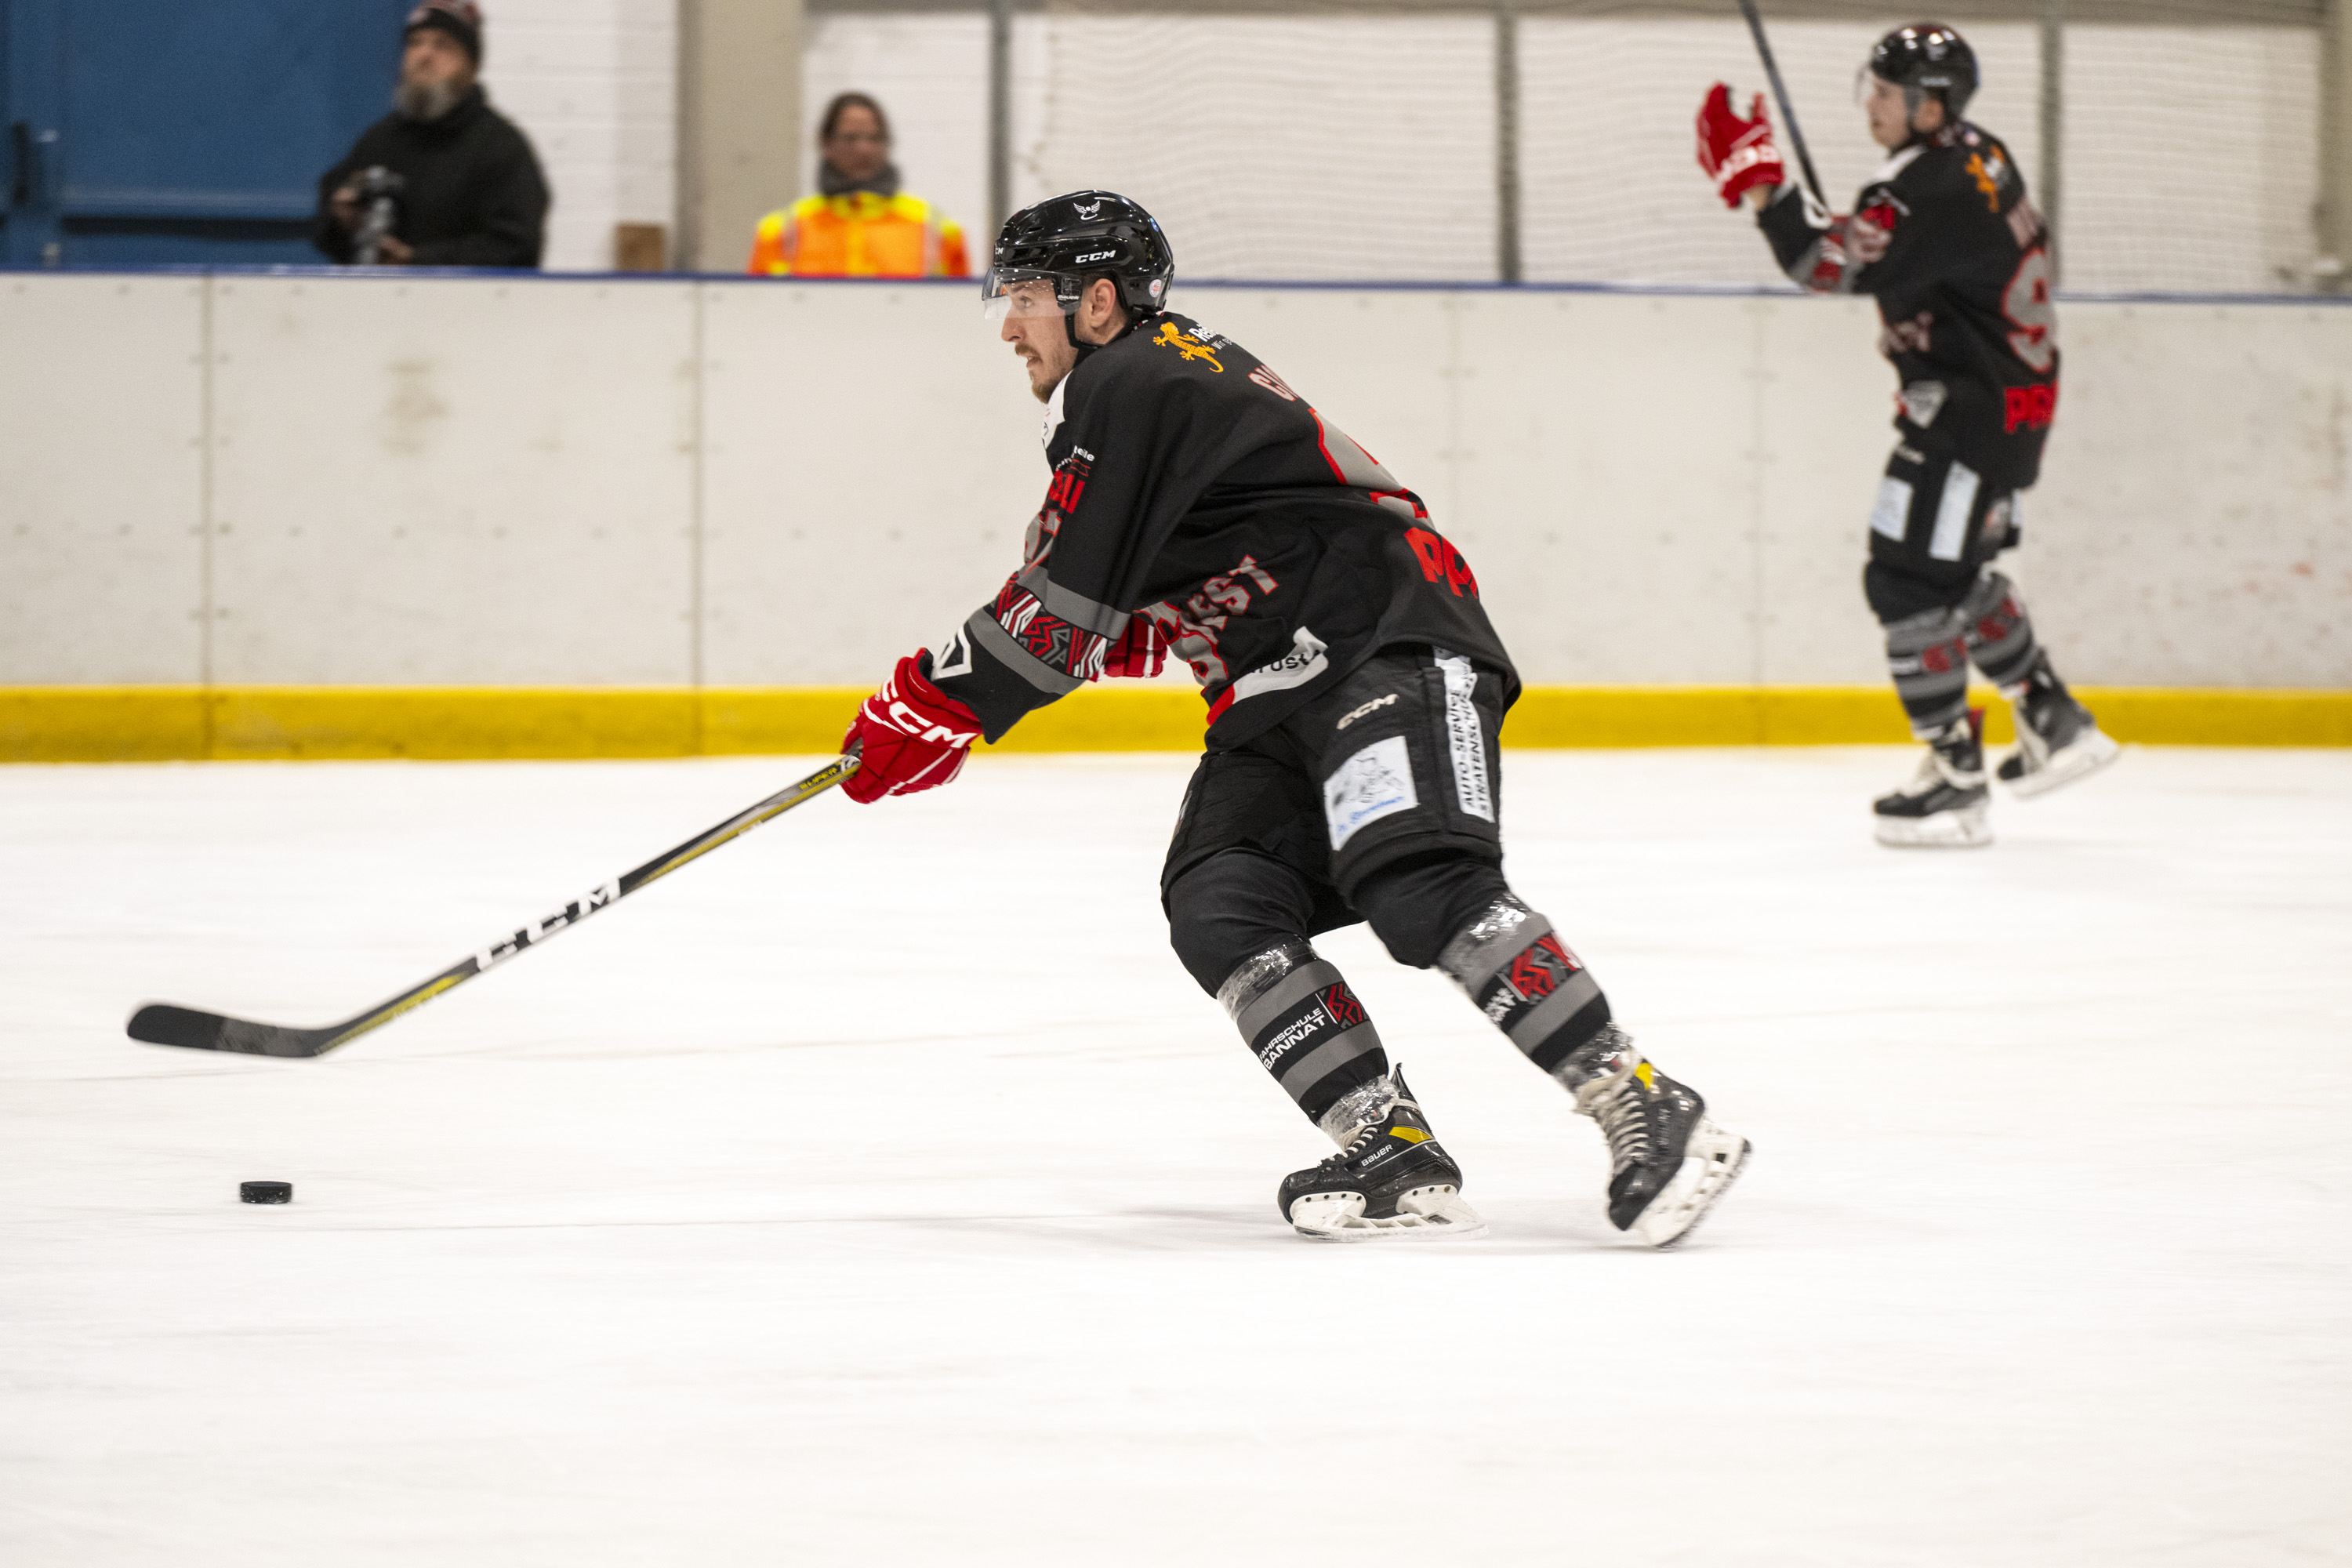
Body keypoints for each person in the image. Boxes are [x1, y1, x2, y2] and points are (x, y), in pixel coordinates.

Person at [835, 191, 1750, 1245]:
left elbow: (1058, 612)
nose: (1008, 326)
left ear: (1095, 301)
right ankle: (1387, 1139)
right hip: (1280, 684)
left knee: (1419, 881)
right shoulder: (1152, 391)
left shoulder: (1129, 379)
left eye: (1027, 297)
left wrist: (930, 703)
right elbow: (1126, 620)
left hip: (1384, 642)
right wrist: (953, 708)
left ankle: (1637, 1096)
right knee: (1221, 900)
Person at [1697, 22, 2118, 848]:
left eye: (1888, 95)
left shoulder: (1931, 185)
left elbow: (1827, 264)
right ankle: (2053, 717)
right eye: (1874, 89)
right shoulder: (1976, 156)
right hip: (2004, 407)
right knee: (1948, 574)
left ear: (1932, 106)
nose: (1872, 106)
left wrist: (1763, 187)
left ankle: (1957, 781)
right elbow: (1891, 252)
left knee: (1903, 580)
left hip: (1966, 414)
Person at [312, 2, 550, 269]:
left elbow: (518, 249)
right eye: (415, 43)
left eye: (442, 45)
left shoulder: (502, 149)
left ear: (471, 69)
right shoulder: (380, 139)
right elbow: (328, 227)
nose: (424, 55)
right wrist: (343, 222)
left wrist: (418, 262)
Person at [746, 93, 968, 278]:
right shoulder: (780, 231)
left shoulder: (939, 230)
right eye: (851, 138)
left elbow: (959, 314)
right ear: (826, 144)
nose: (864, 149)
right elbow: (756, 313)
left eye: (874, 138)